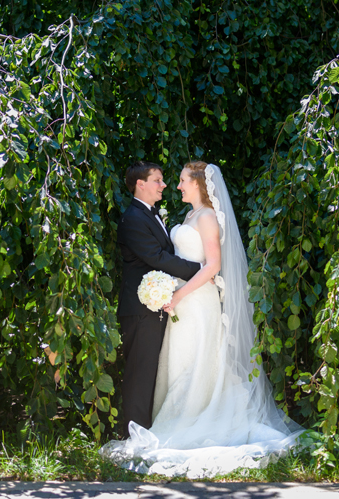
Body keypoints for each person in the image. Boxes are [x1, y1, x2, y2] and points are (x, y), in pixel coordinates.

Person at [102, 162, 304, 478]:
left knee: (199, 361)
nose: (175, 186)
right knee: (180, 363)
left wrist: (181, 294)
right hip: (179, 300)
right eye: (168, 180)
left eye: (181, 180)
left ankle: (194, 421)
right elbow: (166, 258)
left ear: (198, 183)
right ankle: (173, 418)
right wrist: (177, 292)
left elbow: (212, 265)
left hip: (194, 301)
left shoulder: (207, 217)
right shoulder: (188, 216)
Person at [115, 161, 202, 437]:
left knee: (151, 372)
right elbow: (157, 258)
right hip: (140, 310)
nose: (163, 185)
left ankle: (145, 429)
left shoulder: (149, 214)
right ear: (140, 184)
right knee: (140, 374)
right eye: (157, 180)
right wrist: (199, 270)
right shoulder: (133, 219)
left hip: (154, 307)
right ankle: (135, 435)